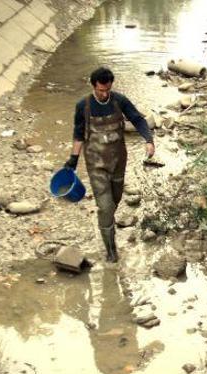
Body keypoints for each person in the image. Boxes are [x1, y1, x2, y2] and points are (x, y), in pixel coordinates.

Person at [63, 67, 155, 262]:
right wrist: (73, 159)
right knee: (105, 206)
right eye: (100, 90)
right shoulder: (84, 106)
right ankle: (111, 250)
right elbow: (79, 134)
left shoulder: (119, 101)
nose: (104, 94)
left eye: (107, 90)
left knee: (114, 201)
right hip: (96, 164)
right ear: (93, 86)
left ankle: (106, 227)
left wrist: (148, 139)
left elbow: (137, 119)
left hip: (118, 161)